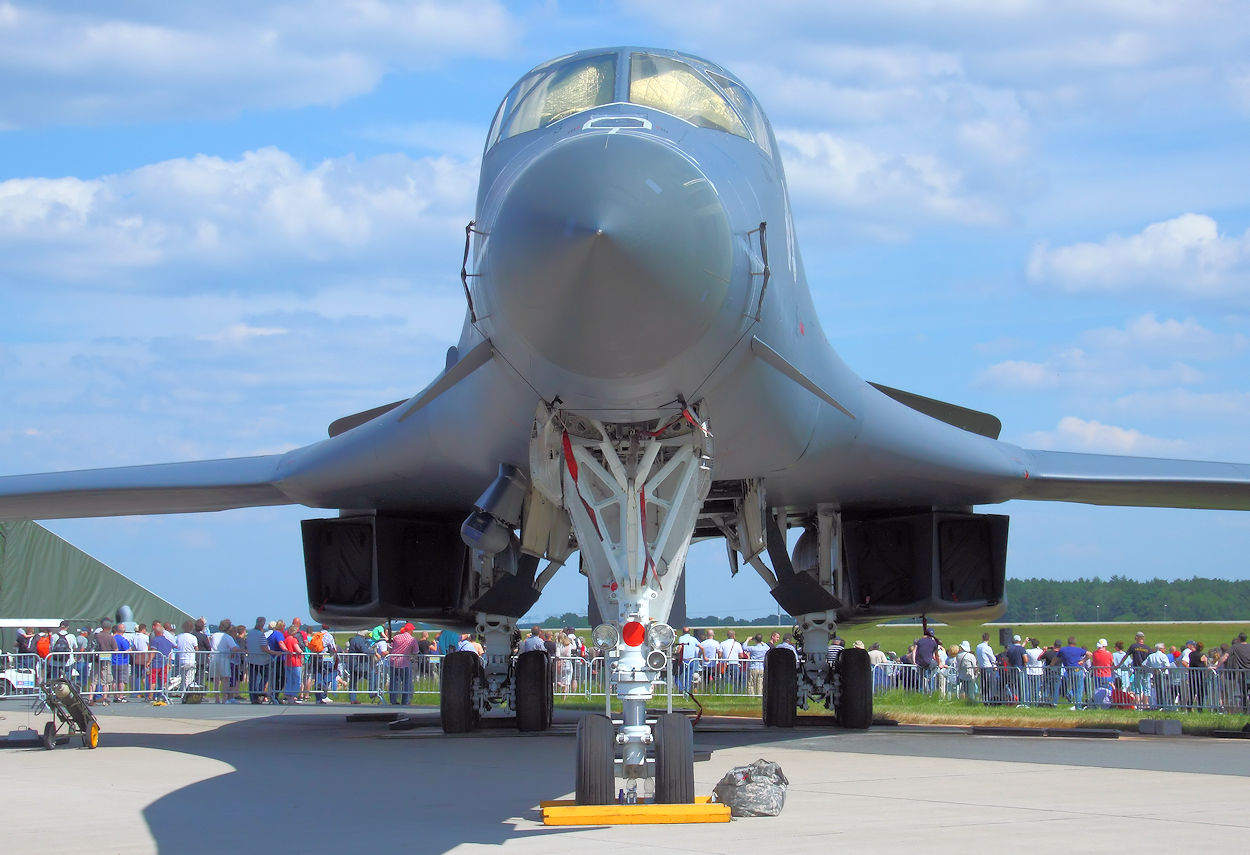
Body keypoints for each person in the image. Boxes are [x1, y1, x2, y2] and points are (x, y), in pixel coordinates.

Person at [208, 619, 239, 703]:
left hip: (214, 658)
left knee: (216, 680)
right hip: (224, 658)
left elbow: (210, 644)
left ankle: (217, 698)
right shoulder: (227, 637)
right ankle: (224, 699)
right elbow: (235, 648)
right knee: (225, 680)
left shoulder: (214, 635)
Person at [245, 617, 272, 704]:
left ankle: (253, 698)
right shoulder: (261, 635)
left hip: (252, 659)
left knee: (252, 679)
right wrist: (274, 652)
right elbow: (264, 648)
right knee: (265, 676)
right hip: (261, 660)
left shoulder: (250, 633)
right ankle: (259, 690)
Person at [1058, 636, 1089, 709]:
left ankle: (1070, 694)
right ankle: (1078, 706)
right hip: (1077, 669)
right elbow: (1089, 654)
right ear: (1075, 643)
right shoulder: (1078, 650)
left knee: (1074, 686)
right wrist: (1083, 661)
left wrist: (1052, 664)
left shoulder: (1063, 650)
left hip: (1069, 670)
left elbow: (1057, 657)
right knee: (1079, 689)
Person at [388, 624, 416, 705]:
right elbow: (415, 651)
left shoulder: (396, 637)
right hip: (405, 662)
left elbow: (391, 647)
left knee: (394, 681)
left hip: (394, 661)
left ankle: (393, 700)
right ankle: (405, 700)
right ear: (410, 630)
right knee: (406, 682)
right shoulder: (412, 639)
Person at [346, 629, 374, 704]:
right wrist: (374, 652)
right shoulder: (360, 641)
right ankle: (372, 692)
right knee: (372, 676)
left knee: (353, 682)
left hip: (353, 663)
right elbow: (364, 650)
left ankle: (352, 698)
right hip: (361, 664)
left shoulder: (353, 640)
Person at [174, 619, 200, 695]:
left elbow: (175, 645)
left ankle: (182, 693)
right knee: (189, 678)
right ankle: (186, 694)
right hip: (190, 660)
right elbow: (196, 649)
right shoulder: (193, 637)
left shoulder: (178, 636)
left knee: (183, 678)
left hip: (181, 659)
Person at [280, 625, 305, 704]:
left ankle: (288, 694)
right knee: (297, 680)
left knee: (289, 679)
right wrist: (301, 651)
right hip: (295, 662)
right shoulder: (294, 640)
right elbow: (298, 650)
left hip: (288, 662)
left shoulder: (286, 639)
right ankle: (293, 696)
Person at [914, 630, 942, 694]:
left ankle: (921, 692)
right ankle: (930, 688)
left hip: (919, 663)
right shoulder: (934, 642)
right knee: (934, 668)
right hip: (928, 662)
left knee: (921, 678)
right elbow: (936, 655)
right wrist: (939, 663)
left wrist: (914, 661)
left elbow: (915, 652)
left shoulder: (919, 641)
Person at [675, 628, 700, 693]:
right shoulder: (694, 639)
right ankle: (687, 692)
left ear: (683, 632)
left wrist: (677, 653)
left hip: (683, 660)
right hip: (691, 660)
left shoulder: (681, 638)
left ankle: (681, 689)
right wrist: (702, 656)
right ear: (689, 632)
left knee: (677, 676)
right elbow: (701, 647)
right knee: (688, 677)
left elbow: (680, 647)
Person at [111, 622, 132, 699]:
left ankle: (115, 696)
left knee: (115, 680)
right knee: (121, 680)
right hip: (122, 661)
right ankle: (120, 696)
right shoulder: (122, 639)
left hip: (113, 662)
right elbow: (127, 649)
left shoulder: (112, 638)